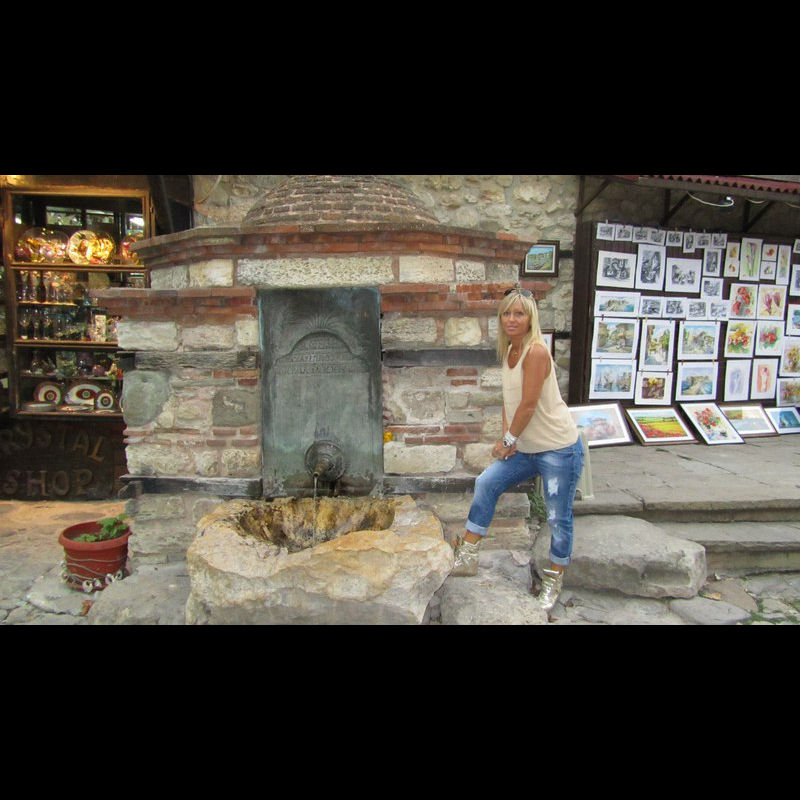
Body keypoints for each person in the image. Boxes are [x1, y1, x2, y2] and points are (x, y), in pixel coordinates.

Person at [451, 285, 585, 614]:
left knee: (557, 517)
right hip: (526, 448)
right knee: (486, 482)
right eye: (507, 314)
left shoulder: (535, 352)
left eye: (519, 314)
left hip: (558, 449)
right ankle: (468, 555)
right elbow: (510, 403)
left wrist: (508, 440)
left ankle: (553, 580)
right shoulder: (511, 349)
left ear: (530, 318)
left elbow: (528, 406)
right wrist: (508, 438)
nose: (512, 319)